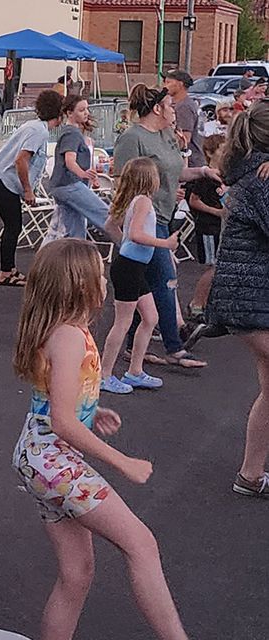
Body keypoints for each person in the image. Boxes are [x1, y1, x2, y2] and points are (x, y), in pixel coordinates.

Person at [12, 238, 196, 640]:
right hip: (53, 459)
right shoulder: (69, 337)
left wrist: (92, 412)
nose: (105, 278)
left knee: (76, 574)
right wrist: (122, 461)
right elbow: (60, 421)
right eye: (99, 272)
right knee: (141, 543)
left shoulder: (65, 331)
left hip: (39, 456)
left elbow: (56, 404)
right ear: (80, 283)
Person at [113, 85, 214, 368]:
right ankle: (174, 345)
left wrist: (204, 171)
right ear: (157, 109)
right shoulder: (132, 138)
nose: (174, 110)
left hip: (165, 216)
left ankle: (135, 346)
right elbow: (123, 180)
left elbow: (177, 172)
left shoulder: (166, 136)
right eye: (170, 105)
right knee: (165, 280)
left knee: (146, 284)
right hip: (147, 217)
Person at [202, 101, 269, 497]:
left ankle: (250, 474)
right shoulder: (261, 182)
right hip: (251, 303)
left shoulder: (251, 174)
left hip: (249, 301)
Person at [99, 158, 180, 395]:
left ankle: (134, 371)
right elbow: (135, 234)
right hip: (129, 268)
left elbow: (111, 226)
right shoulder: (143, 201)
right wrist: (164, 244)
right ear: (150, 179)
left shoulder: (132, 201)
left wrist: (129, 246)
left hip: (132, 265)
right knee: (123, 322)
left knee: (150, 317)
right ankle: (104, 374)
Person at [0, 90, 63, 287]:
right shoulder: (39, 131)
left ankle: (9, 269)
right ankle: (5, 272)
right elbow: (21, 160)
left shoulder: (34, 126)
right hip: (3, 180)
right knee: (13, 226)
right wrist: (28, 190)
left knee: (13, 225)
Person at [48, 95, 112, 241]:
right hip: (69, 184)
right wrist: (83, 174)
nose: (87, 113)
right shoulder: (72, 133)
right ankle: (129, 248)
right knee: (104, 216)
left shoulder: (69, 132)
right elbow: (70, 161)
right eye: (82, 110)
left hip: (60, 186)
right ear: (70, 113)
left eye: (87, 109)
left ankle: (73, 257)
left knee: (74, 228)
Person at [185, 135, 226, 326]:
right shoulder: (205, 177)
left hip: (220, 227)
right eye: (221, 148)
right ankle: (197, 303)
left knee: (219, 267)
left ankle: (210, 304)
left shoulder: (225, 174)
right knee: (213, 267)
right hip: (208, 227)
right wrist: (216, 212)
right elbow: (193, 200)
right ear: (210, 152)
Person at [164, 70, 204, 167]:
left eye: (168, 82)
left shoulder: (184, 107)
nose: (165, 86)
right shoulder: (187, 103)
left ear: (180, 84)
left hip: (190, 162)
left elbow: (184, 139)